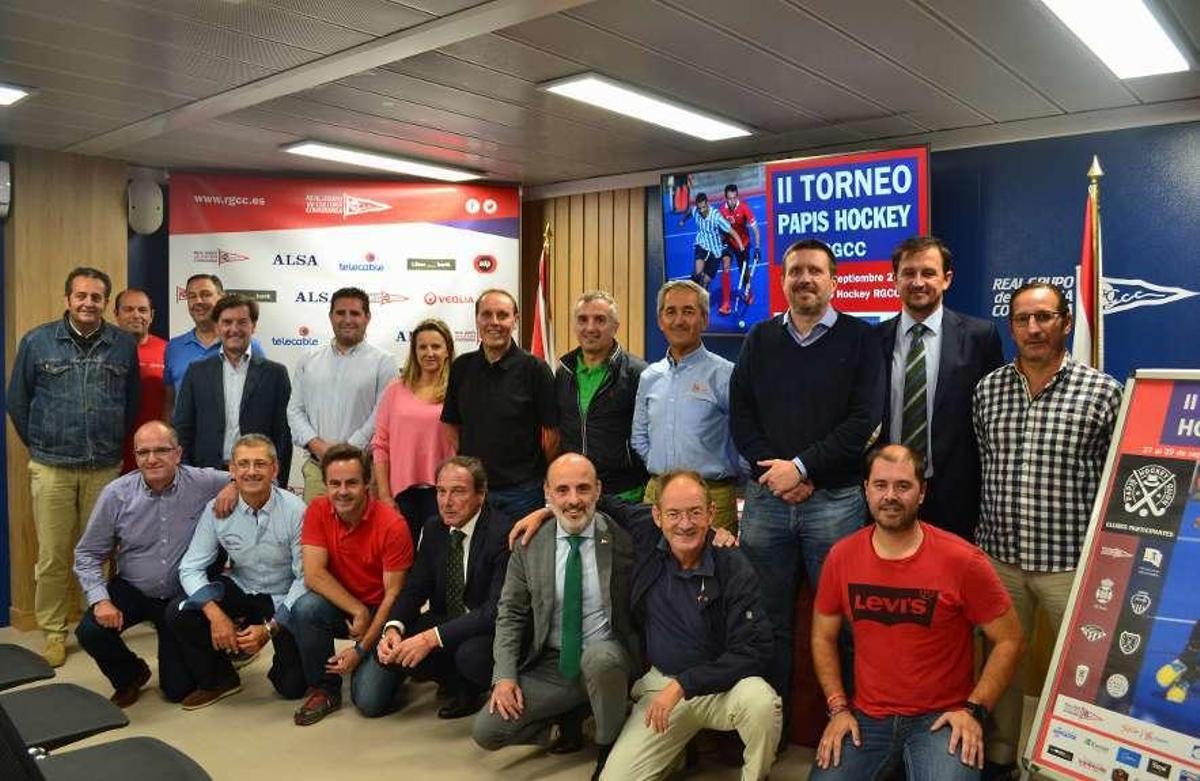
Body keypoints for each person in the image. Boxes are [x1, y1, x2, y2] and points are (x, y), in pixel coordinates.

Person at [972, 282, 1122, 778]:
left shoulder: (1102, 392)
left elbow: (1115, 477)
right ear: (1011, 326)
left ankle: (1080, 764)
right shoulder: (987, 390)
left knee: (1085, 672)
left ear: (1065, 322)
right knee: (1002, 665)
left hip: (1071, 565)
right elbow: (984, 464)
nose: (1033, 329)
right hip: (999, 558)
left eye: (1044, 318)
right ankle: (1000, 758)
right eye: (1022, 319)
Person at [809, 444, 1023, 780]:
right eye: (880, 485)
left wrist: (974, 710)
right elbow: (822, 636)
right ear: (866, 490)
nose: (890, 496)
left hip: (941, 719)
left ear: (922, 493)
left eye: (903, 486)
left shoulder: (963, 560)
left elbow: (1010, 638)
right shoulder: (842, 556)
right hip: (868, 718)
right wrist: (837, 708)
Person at [730, 238, 884, 703]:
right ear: (782, 282)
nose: (805, 279)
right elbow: (741, 416)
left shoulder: (862, 338)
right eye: (796, 271)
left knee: (844, 622)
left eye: (815, 271)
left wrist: (799, 468)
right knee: (765, 620)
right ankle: (772, 724)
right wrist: (774, 476)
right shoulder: (759, 338)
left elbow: (863, 422)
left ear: (834, 281)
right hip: (766, 501)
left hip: (835, 503)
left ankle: (849, 722)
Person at [598, 470, 780, 781]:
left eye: (695, 512)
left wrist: (685, 683)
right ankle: (676, 753)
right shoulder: (647, 535)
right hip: (661, 686)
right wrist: (546, 514)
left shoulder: (733, 564)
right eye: (674, 514)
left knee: (761, 702)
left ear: (711, 513)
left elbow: (755, 650)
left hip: (723, 689)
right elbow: (591, 500)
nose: (685, 524)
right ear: (657, 516)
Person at [473, 454, 637, 780]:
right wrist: (504, 677)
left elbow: (671, 523)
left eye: (583, 488)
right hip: (554, 664)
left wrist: (717, 534)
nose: (573, 500)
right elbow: (510, 613)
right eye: (562, 490)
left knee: (600, 660)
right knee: (487, 732)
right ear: (547, 493)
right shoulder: (529, 544)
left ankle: (608, 746)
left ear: (598, 490)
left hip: (608, 658)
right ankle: (570, 716)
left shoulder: (622, 538)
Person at [7, 266, 140, 666]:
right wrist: (43, 444)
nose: (88, 303)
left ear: (105, 302)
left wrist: (110, 441)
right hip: (53, 468)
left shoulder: (122, 344)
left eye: (96, 297)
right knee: (53, 554)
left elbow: (130, 402)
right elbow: (17, 401)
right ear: (68, 299)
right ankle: (52, 631)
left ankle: (91, 622)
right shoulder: (37, 341)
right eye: (81, 295)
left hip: (103, 467)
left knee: (98, 552)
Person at [73, 421, 236, 706]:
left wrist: (233, 486)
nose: (151, 459)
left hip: (180, 593)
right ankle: (130, 675)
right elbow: (87, 554)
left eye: (161, 450)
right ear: (135, 457)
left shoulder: (203, 481)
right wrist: (101, 600)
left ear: (178, 453)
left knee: (177, 691)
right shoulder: (116, 494)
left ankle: (220, 665)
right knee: (90, 631)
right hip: (135, 588)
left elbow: (256, 479)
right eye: (143, 452)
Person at [166, 434, 308, 709]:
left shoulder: (296, 511)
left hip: (284, 597)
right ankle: (221, 678)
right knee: (180, 611)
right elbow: (191, 567)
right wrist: (215, 614)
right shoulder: (217, 509)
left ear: (275, 469)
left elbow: (305, 579)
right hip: (243, 587)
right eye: (243, 464)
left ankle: (265, 652)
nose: (251, 471)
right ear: (232, 470)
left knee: (292, 687)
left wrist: (270, 628)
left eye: (260, 464)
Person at [877, 237, 1004, 540]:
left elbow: (995, 415)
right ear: (895, 280)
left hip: (955, 495)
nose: (918, 282)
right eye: (909, 273)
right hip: (888, 493)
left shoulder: (980, 336)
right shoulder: (873, 340)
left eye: (928, 273)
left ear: (946, 279)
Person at [374, 456, 513, 719]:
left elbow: (494, 611)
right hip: (447, 618)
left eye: (458, 492)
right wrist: (393, 628)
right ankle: (452, 680)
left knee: (470, 656)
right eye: (441, 491)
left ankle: (471, 688)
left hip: (486, 627)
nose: (446, 502)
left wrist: (430, 638)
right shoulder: (433, 528)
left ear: (480, 495)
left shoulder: (501, 533)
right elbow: (415, 588)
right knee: (389, 650)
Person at [289, 444, 413, 725]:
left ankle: (395, 666)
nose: (342, 491)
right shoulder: (318, 510)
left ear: (367, 483)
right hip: (347, 606)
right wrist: (358, 610)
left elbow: (394, 596)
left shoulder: (393, 525)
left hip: (384, 613)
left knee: (369, 702)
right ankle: (325, 689)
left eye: (351, 483)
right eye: (334, 484)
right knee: (306, 608)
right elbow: (314, 575)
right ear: (325, 484)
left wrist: (360, 650)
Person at [631, 280, 742, 531]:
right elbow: (639, 438)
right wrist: (664, 470)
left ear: (704, 319)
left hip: (712, 496)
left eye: (688, 311)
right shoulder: (649, 377)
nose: (679, 320)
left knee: (714, 558)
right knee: (652, 557)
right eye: (670, 312)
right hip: (658, 494)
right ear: (660, 321)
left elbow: (743, 441)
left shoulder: (726, 375)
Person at [442, 289, 558, 520]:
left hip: (523, 492)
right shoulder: (461, 367)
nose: (494, 322)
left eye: (502, 315)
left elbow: (552, 435)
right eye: (486, 315)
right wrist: (471, 465)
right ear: (477, 319)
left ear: (515, 320)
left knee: (521, 545)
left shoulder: (535, 369)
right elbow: (450, 423)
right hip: (474, 490)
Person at [287, 287, 394, 502]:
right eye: (340, 313)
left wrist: (347, 452)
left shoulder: (384, 362)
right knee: (316, 525)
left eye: (354, 313)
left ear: (367, 317)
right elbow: (295, 410)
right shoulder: (308, 360)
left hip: (363, 473)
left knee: (364, 526)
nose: (347, 319)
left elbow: (382, 414)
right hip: (317, 471)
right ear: (330, 316)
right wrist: (319, 447)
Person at [173, 293, 292, 484]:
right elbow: (183, 428)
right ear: (217, 327)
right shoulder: (197, 372)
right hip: (205, 476)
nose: (234, 329)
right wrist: (187, 476)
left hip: (257, 475)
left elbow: (283, 435)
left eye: (242, 322)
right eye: (227, 322)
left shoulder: (275, 374)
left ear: (253, 326)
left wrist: (278, 481)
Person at [555, 291, 648, 501]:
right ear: (574, 326)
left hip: (624, 493)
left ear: (615, 326)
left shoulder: (637, 373)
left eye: (600, 320)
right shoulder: (563, 372)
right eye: (582, 320)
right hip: (576, 492)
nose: (590, 328)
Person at [373, 318, 456, 544]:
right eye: (422, 347)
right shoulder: (395, 390)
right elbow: (380, 445)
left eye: (436, 346)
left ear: (447, 351)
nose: (429, 353)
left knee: (439, 556)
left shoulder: (457, 390)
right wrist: (384, 495)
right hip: (401, 494)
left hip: (444, 492)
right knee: (400, 557)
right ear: (414, 351)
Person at [163, 273, 266, 415]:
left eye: (205, 294)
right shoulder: (174, 348)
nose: (198, 301)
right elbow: (169, 402)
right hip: (184, 429)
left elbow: (262, 401)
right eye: (192, 296)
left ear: (221, 298)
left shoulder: (250, 347)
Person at [114, 287, 168, 473]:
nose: (136, 315)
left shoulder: (169, 350)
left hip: (154, 451)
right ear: (116, 314)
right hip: (112, 451)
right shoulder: (104, 351)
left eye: (142, 310)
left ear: (151, 315)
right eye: (128, 309)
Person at [680, 192, 745, 316]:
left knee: (706, 281)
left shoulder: (716, 217)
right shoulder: (696, 211)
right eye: (699, 208)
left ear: (707, 204)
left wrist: (741, 247)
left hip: (716, 251)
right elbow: (689, 212)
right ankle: (697, 303)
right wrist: (683, 220)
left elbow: (731, 231)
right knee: (698, 275)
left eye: (704, 207)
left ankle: (703, 295)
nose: (702, 211)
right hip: (702, 245)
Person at [719, 184, 761, 310]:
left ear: (737, 197)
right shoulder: (722, 211)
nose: (732, 201)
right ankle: (726, 303)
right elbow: (719, 229)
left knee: (744, 271)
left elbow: (755, 229)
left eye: (734, 198)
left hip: (744, 243)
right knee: (725, 266)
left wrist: (757, 248)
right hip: (729, 242)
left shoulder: (744, 208)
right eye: (729, 198)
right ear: (726, 198)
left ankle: (748, 292)